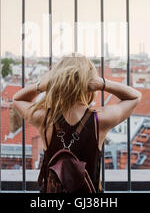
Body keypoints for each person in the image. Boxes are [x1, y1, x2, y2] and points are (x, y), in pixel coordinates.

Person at [12, 54, 142, 193]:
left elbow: (17, 100)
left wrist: (42, 86)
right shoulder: (100, 120)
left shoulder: (45, 118)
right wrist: (103, 84)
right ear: (90, 84)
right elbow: (135, 97)